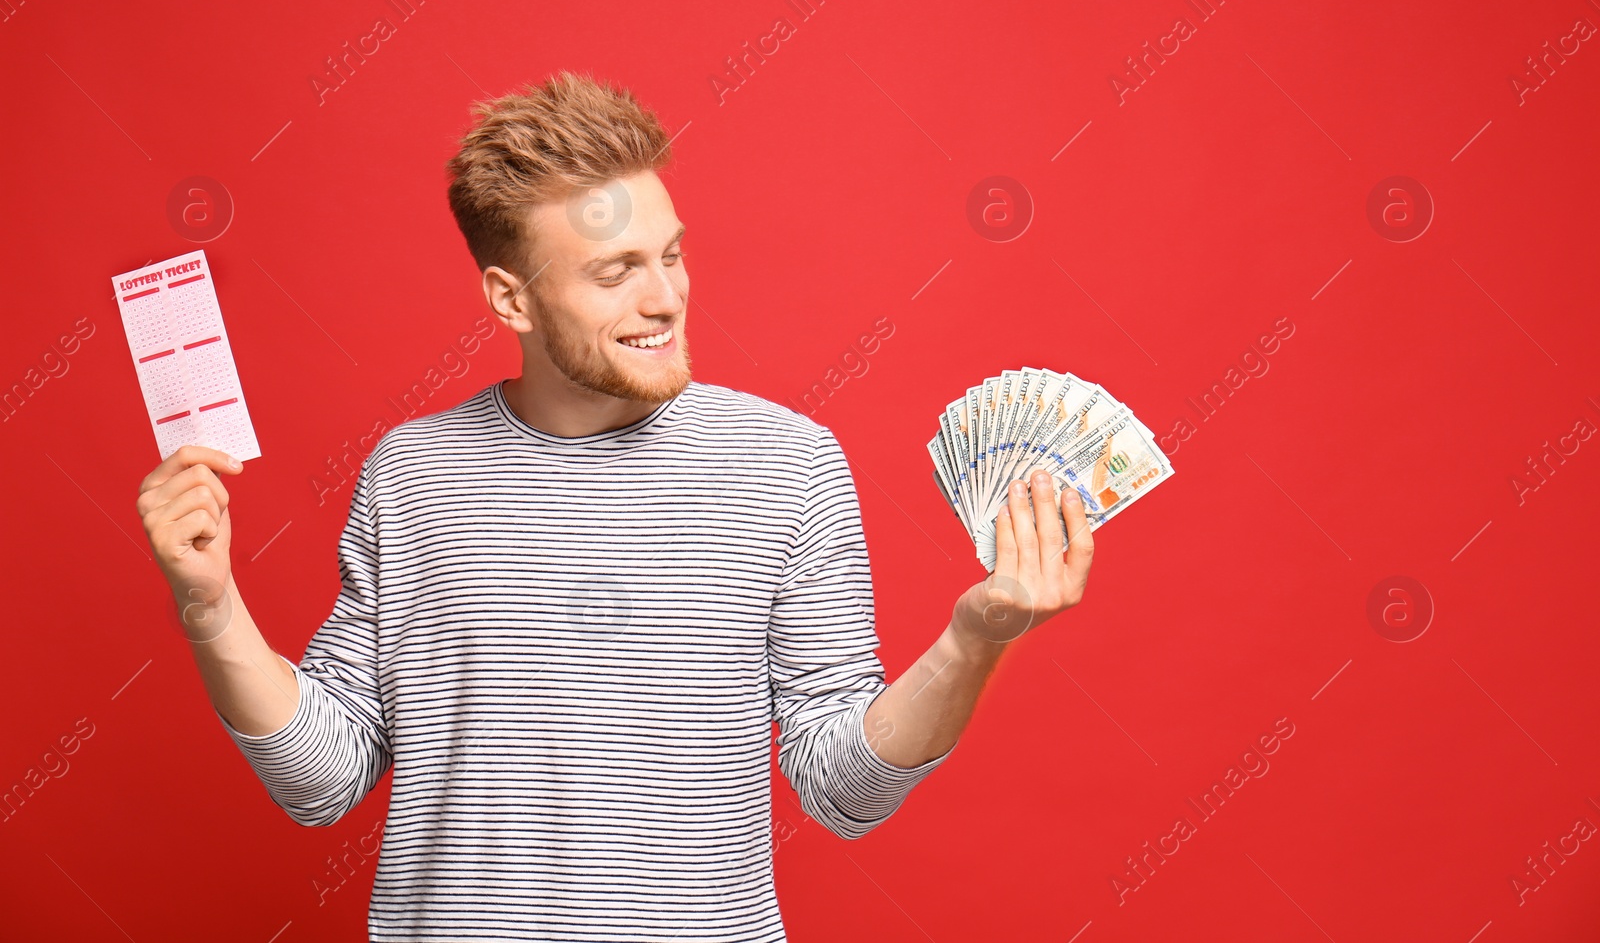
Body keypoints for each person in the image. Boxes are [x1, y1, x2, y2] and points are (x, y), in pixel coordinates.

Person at [135, 70, 1095, 941]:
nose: (665, 296)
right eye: (614, 270)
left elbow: (844, 788)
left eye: (670, 254)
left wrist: (974, 641)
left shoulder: (785, 464)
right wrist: (211, 606)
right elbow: (324, 778)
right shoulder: (415, 475)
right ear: (512, 300)